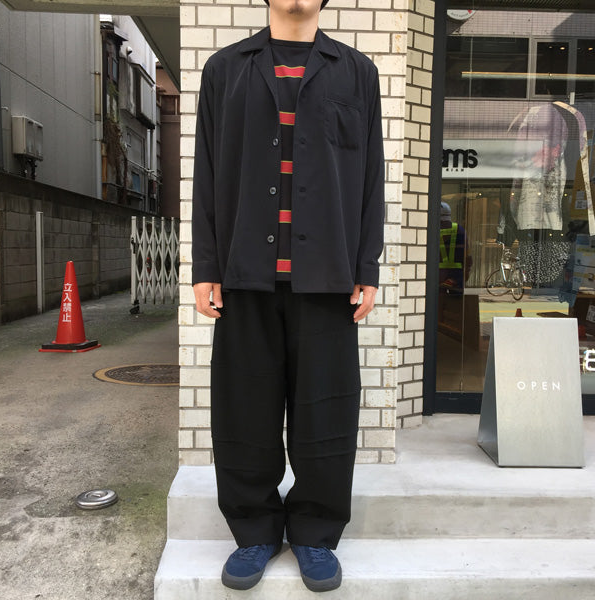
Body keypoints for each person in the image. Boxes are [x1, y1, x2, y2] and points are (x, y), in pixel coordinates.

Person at [191, 0, 384, 591]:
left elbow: (371, 176)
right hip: (244, 275)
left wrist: (366, 266)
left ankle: (315, 534)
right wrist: (205, 266)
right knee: (243, 412)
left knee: (326, 415)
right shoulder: (226, 70)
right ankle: (253, 531)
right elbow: (206, 172)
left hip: (326, 278)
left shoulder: (357, 72)